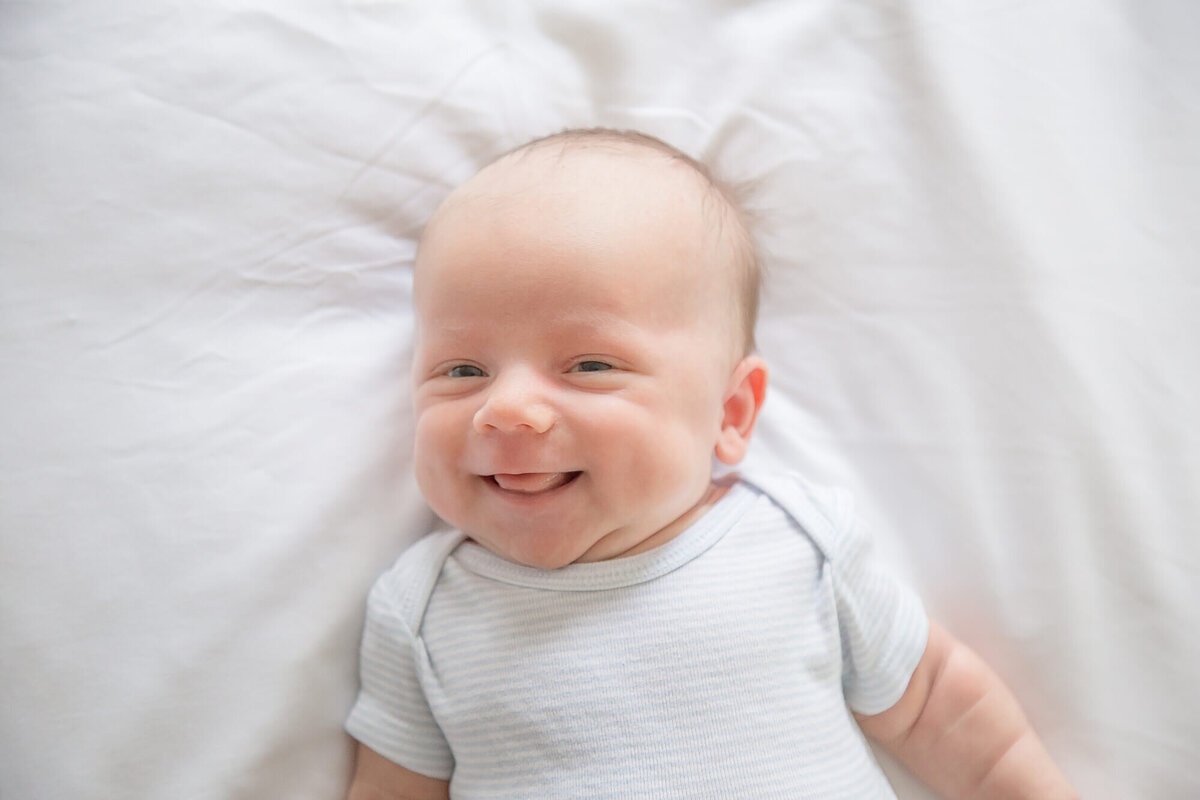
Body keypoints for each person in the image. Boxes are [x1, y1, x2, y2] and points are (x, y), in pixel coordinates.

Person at [344, 128, 1077, 799]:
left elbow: (941, 711)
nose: (505, 410)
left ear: (729, 415)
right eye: (462, 369)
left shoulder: (797, 541)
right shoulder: (423, 610)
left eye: (590, 364)